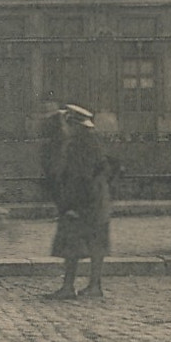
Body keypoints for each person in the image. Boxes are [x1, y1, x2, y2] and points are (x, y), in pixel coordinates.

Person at [44, 104, 113, 299]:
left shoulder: (77, 146)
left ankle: (69, 286)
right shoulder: (93, 142)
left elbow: (80, 177)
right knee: (95, 243)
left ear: (74, 125)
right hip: (98, 199)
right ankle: (94, 285)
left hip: (83, 202)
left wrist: (72, 206)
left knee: (72, 244)